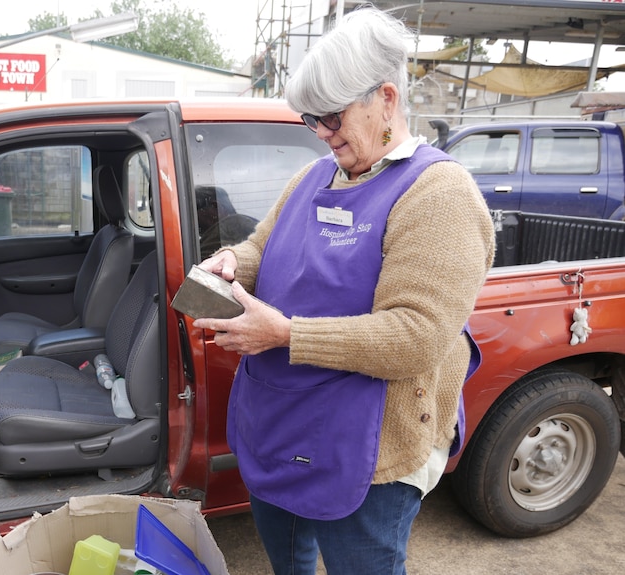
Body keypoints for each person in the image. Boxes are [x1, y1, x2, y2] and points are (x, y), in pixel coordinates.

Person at [191, 5, 495, 574]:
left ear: (385, 99)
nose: (323, 134)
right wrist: (236, 261)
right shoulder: (315, 175)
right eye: (311, 119)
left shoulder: (438, 193)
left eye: (332, 117)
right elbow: (264, 245)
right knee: (290, 559)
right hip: (283, 420)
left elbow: (418, 336)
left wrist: (284, 334)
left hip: (370, 449)